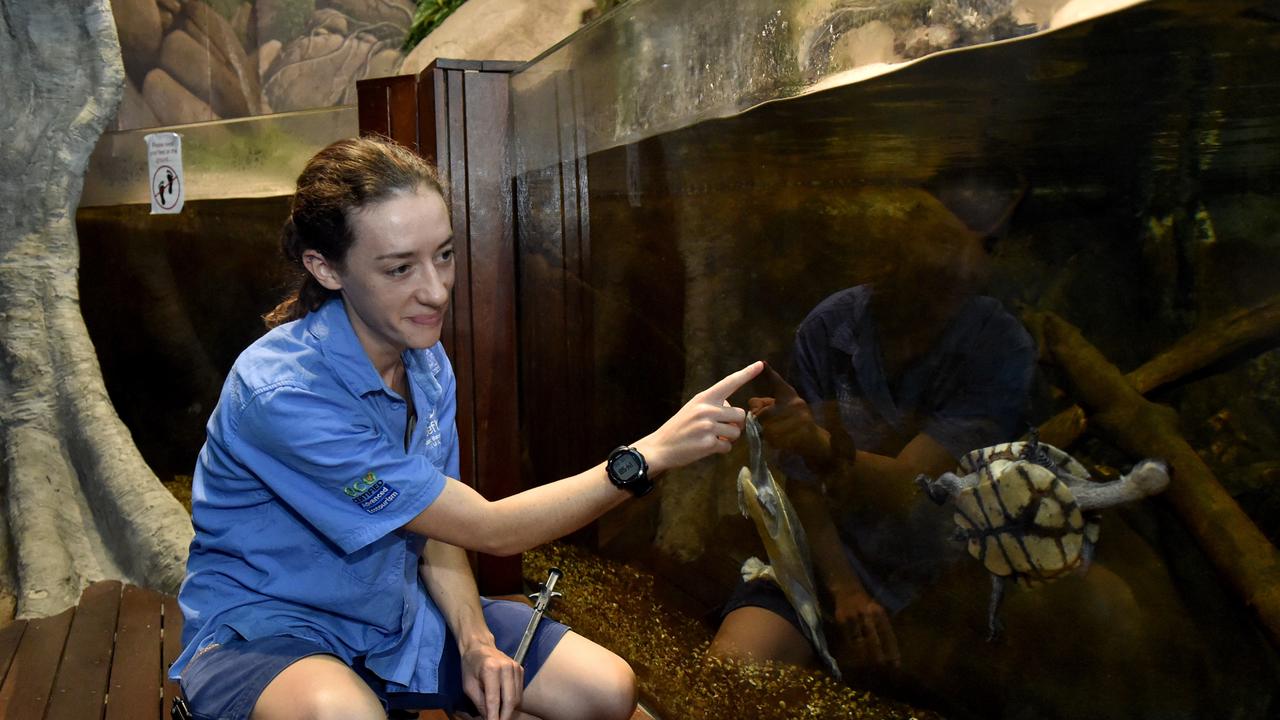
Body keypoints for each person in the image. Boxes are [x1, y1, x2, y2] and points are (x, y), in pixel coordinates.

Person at [169, 136, 762, 720]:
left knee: (606, 690)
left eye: (444, 254)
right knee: (341, 712)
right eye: (400, 268)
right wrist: (645, 457)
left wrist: (476, 641)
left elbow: (438, 528)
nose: (435, 290)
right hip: (272, 631)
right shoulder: (286, 394)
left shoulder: (425, 361)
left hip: (395, 618)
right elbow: (490, 528)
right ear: (325, 268)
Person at [708, 186, 1035, 678]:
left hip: (950, 568)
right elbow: (801, 484)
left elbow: (915, 488)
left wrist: (813, 441)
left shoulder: (1000, 346)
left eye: (984, 247)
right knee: (732, 671)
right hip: (827, 555)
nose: (963, 265)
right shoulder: (831, 326)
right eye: (945, 241)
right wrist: (844, 588)